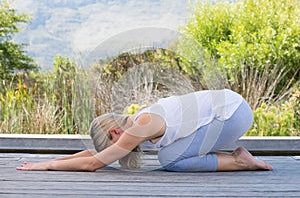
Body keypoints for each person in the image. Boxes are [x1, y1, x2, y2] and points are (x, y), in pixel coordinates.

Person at [16, 89, 273, 172]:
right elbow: (91, 154)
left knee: (170, 159)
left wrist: (47, 168)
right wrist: (48, 160)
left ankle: (240, 161)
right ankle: (238, 158)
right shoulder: (139, 123)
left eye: (111, 145)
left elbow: (92, 164)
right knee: (171, 155)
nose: (114, 152)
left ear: (115, 132)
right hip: (231, 111)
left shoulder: (141, 125)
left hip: (232, 114)